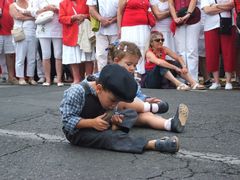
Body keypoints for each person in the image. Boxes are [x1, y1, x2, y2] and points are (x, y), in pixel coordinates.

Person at [60, 64, 179, 154]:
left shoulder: (108, 96)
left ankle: (114, 127)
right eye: (113, 101)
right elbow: (67, 120)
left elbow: (113, 109)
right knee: (109, 138)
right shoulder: (77, 91)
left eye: (117, 101)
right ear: (99, 89)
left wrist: (114, 118)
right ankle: (151, 144)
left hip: (100, 121)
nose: (114, 104)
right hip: (79, 131)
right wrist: (91, 123)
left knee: (131, 113)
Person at [106, 41, 189, 132]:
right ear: (116, 61)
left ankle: (170, 124)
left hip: (126, 115)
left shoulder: (132, 80)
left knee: (146, 116)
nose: (132, 68)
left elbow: (137, 94)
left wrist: (145, 99)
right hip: (109, 114)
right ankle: (152, 107)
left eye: (135, 65)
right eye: (129, 64)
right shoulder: (106, 75)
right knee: (122, 101)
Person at [201, 0, 237, 90]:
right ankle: (216, 81)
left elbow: (232, 5)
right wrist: (224, 7)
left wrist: (215, 6)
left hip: (228, 23)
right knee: (211, 52)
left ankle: (228, 81)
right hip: (210, 25)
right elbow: (207, 10)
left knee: (229, 52)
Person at [117, 0, 156, 77]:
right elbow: (119, 12)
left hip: (144, 27)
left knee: (143, 50)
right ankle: (127, 73)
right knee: (129, 49)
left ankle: (140, 74)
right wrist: (119, 29)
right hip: (129, 27)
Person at [59, 0, 94, 84]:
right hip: (71, 33)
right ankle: (77, 79)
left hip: (84, 32)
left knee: (88, 57)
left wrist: (84, 16)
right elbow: (61, 18)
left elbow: (92, 14)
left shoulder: (85, 1)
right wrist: (73, 17)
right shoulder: (63, 3)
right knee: (73, 58)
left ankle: (88, 79)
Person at [32, 0, 64, 86]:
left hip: (58, 28)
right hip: (43, 29)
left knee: (58, 54)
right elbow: (33, 12)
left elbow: (65, 11)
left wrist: (55, 9)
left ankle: (59, 79)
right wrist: (45, 9)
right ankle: (48, 79)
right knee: (46, 55)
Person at [168, 0, 201, 82]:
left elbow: (193, 1)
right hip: (178, 16)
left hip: (193, 16)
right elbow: (170, 3)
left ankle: (193, 78)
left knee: (192, 49)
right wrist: (175, 17)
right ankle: (184, 78)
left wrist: (188, 14)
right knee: (180, 50)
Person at [9, 0, 37, 85]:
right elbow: (18, 17)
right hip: (20, 32)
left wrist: (25, 14)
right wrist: (31, 17)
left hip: (32, 32)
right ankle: (21, 77)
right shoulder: (13, 5)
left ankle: (31, 77)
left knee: (32, 57)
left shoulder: (31, 2)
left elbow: (36, 14)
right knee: (20, 56)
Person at [86, 0, 118, 71]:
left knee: (116, 55)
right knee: (101, 55)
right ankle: (102, 77)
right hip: (100, 27)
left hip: (117, 27)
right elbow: (91, 8)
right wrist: (101, 19)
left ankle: (116, 76)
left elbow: (123, 10)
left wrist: (112, 20)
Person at [0, 0, 18, 84]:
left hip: (10, 31)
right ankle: (4, 75)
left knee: (10, 54)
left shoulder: (12, 1)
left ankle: (11, 77)